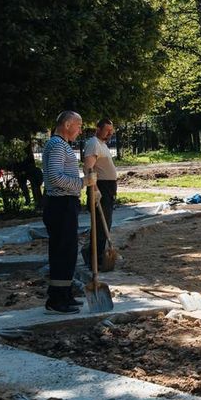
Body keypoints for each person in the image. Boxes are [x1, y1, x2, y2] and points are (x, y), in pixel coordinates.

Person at [42, 110, 91, 314]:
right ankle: (56, 300)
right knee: (63, 251)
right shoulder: (56, 145)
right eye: (79, 126)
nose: (80, 131)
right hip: (60, 205)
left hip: (65, 203)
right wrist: (82, 183)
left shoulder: (61, 145)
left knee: (68, 251)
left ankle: (64, 293)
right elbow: (54, 177)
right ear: (68, 124)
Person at [82, 118, 117, 266]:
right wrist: (94, 189)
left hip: (107, 188)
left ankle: (95, 255)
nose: (110, 133)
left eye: (111, 131)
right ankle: (95, 259)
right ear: (98, 129)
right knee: (101, 225)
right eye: (107, 130)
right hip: (100, 188)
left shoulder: (102, 145)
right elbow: (88, 168)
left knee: (105, 224)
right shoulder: (93, 143)